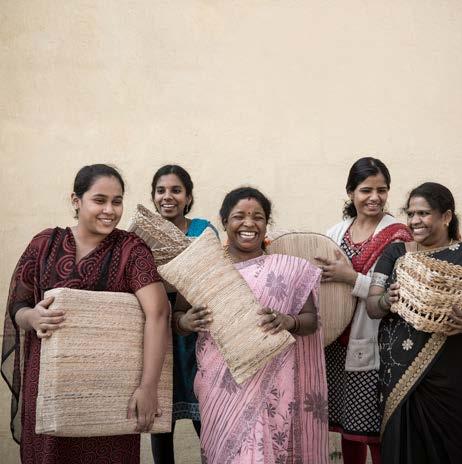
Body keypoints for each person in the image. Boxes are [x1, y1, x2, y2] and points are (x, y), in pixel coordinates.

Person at [1, 164, 170, 464]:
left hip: (108, 391)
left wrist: (148, 386)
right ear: (76, 201)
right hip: (48, 386)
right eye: (99, 200)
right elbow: (18, 306)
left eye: (117, 201)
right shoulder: (44, 245)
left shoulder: (132, 250)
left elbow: (158, 314)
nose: (110, 209)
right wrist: (32, 318)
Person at [173, 187, 329, 463]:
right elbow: (178, 318)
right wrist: (185, 322)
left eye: (258, 217)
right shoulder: (205, 269)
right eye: (239, 216)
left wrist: (288, 321)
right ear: (224, 222)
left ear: (266, 223)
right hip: (220, 386)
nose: (249, 223)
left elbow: (311, 321)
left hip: (274, 388)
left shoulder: (288, 269)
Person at [366, 182, 462, 464]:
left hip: (456, 376)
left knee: (454, 449)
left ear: (446, 216)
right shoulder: (395, 254)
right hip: (401, 376)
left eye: (423, 213)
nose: (414, 221)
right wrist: (387, 300)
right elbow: (372, 306)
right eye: (410, 214)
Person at [315, 157, 412, 464]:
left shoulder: (399, 237)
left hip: (377, 342)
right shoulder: (334, 232)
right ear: (351, 192)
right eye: (366, 189)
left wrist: (351, 279)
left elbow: (399, 289)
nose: (374, 197)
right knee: (348, 427)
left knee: (374, 428)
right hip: (336, 341)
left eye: (382, 190)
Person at [149, 164, 216, 464]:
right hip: (158, 334)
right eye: (161, 190)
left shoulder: (203, 229)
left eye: (176, 190)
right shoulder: (140, 237)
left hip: (199, 331)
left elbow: (210, 269)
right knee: (161, 422)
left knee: (209, 423)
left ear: (188, 197)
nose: (168, 196)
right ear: (152, 197)